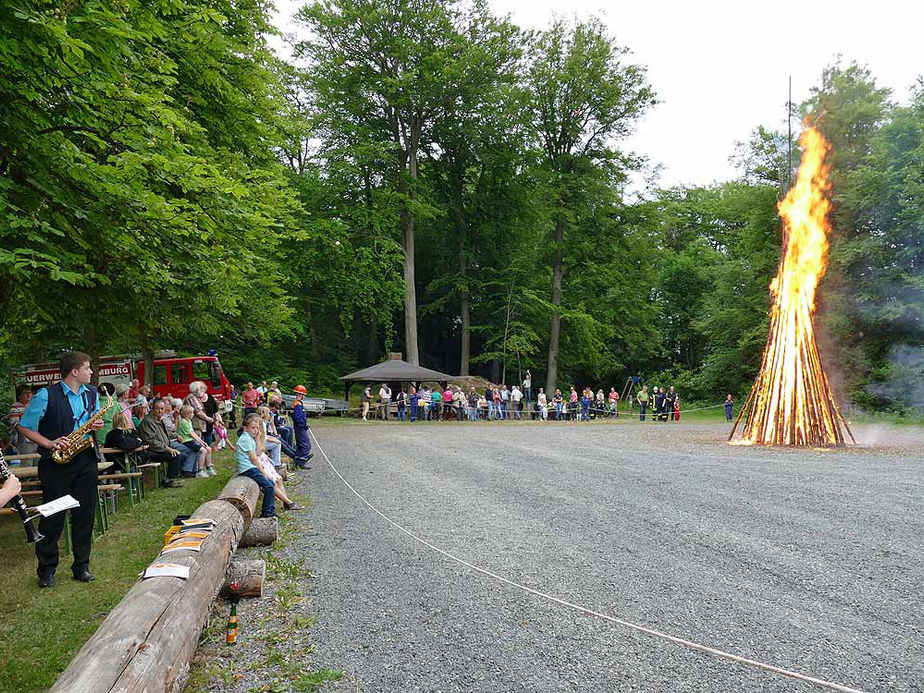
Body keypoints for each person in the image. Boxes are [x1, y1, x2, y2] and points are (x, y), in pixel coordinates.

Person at [16, 352, 104, 588]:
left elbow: (92, 419)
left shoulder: (92, 393)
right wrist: (48, 443)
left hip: (85, 458)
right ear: (74, 371)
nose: (91, 372)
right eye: (88, 368)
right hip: (56, 463)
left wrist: (96, 423)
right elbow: (24, 427)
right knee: (52, 516)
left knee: (85, 515)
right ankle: (46, 570)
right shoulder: (45, 395)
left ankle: (81, 566)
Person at [138, 398, 194, 485]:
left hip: (162, 448)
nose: (160, 411)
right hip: (152, 451)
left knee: (182, 455)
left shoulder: (159, 419)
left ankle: (175, 475)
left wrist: (176, 435)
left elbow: (165, 433)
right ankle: (169, 480)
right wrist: (168, 449)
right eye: (157, 409)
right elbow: (151, 441)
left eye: (162, 409)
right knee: (176, 456)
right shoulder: (148, 421)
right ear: (152, 409)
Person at [235, 414, 276, 519]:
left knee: (271, 483)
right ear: (245, 428)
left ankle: (270, 509)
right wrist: (263, 472)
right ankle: (267, 513)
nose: (256, 430)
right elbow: (254, 459)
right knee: (269, 486)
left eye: (257, 428)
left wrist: (258, 439)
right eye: (253, 428)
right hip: (248, 468)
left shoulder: (250, 438)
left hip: (251, 467)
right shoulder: (245, 439)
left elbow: (258, 453)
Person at [177, 405, 214, 477]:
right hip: (186, 441)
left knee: (208, 448)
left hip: (191, 440)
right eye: (192, 413)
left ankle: (209, 468)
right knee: (203, 450)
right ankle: (200, 470)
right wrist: (201, 443)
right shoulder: (183, 422)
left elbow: (193, 433)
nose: (193, 414)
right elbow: (191, 435)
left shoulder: (189, 421)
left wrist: (202, 442)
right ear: (187, 414)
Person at [7, 384, 38, 454]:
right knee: (27, 462)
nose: (28, 395)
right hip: (24, 440)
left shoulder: (35, 406)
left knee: (39, 462)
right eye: (25, 393)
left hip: (38, 439)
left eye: (29, 393)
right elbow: (16, 425)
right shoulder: (15, 408)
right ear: (19, 396)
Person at [291, 385, 312, 468]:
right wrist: (303, 425)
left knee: (300, 444)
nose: (304, 396)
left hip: (299, 427)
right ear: (300, 394)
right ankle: (302, 462)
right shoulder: (297, 405)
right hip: (300, 428)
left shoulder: (298, 403)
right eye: (304, 395)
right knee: (306, 445)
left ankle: (297, 460)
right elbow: (298, 417)